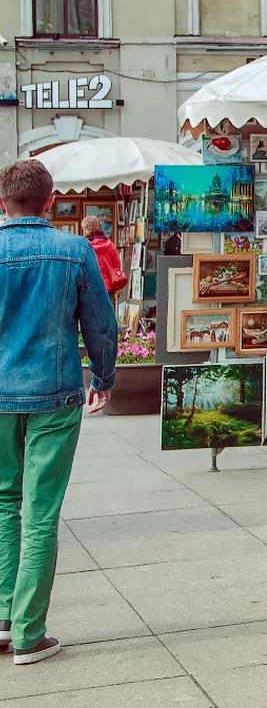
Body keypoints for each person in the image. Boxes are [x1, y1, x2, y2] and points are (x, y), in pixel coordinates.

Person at [0, 160, 117, 665]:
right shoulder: (73, 251)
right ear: (51, 202)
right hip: (54, 393)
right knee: (40, 513)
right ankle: (29, 631)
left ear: (3, 202)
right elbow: (100, 322)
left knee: (4, 506)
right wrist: (105, 377)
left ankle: (3, 619)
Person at [80, 215, 125, 295]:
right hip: (108, 287)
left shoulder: (84, 247)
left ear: (86, 229)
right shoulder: (110, 245)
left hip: (90, 287)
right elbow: (116, 265)